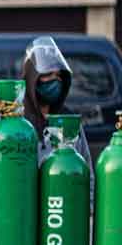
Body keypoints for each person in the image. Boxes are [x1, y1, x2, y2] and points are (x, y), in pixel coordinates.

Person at [22, 35, 92, 167]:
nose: (55, 81)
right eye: (48, 74)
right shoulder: (18, 124)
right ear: (32, 78)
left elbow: (87, 172)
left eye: (59, 75)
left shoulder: (69, 121)